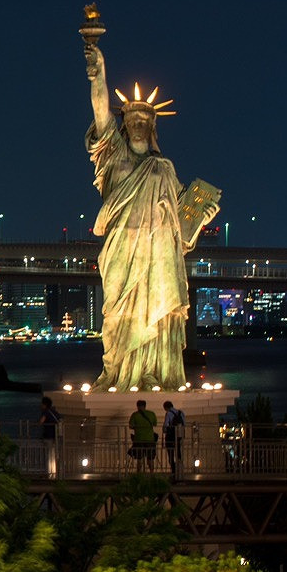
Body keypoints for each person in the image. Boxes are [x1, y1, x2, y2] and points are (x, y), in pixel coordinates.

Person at [83, 33, 219, 391]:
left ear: (153, 125)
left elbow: (180, 224)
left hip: (158, 252)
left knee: (157, 311)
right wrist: (99, 72)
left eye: (145, 118)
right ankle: (118, 371)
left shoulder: (165, 168)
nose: (139, 122)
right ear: (123, 123)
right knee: (117, 314)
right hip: (122, 249)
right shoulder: (114, 155)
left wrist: (201, 217)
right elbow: (100, 111)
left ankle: (153, 372)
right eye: (132, 117)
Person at [128, 399, 159, 472]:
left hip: (138, 439)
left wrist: (137, 426)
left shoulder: (135, 414)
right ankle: (152, 474)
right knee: (150, 458)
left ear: (137, 406)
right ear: (145, 406)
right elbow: (155, 424)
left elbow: (131, 426)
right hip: (150, 439)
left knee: (139, 458)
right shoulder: (151, 414)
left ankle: (139, 474)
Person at [162, 400, 185, 478]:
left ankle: (174, 470)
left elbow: (166, 424)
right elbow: (184, 424)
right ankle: (180, 469)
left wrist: (165, 430)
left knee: (171, 453)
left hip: (170, 436)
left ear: (166, 407)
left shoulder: (168, 413)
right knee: (178, 453)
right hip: (179, 436)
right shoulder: (180, 412)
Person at [39, 396, 61, 477]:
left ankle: (49, 473)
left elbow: (41, 421)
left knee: (48, 455)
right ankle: (54, 473)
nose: (40, 405)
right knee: (53, 455)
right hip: (55, 436)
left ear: (45, 405)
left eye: (41, 404)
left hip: (48, 436)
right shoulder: (54, 412)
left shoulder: (46, 412)